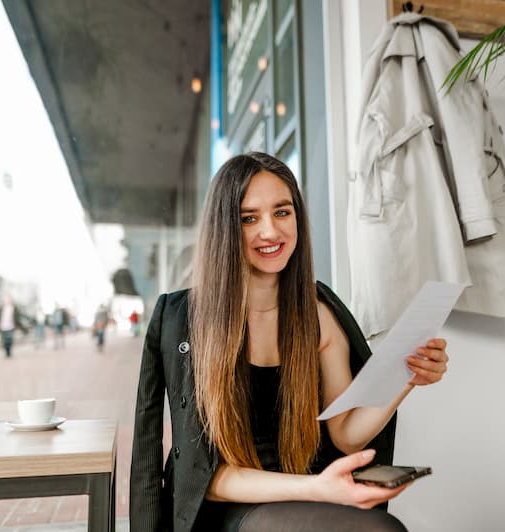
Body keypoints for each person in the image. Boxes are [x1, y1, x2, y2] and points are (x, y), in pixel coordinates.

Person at [130, 152, 450, 531]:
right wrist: (319, 489)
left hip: (307, 491)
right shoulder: (180, 318)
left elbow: (345, 434)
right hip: (224, 506)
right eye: (249, 218)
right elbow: (195, 471)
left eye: (282, 212)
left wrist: (406, 377)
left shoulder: (319, 313)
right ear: (224, 229)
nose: (270, 231)